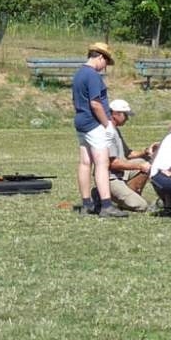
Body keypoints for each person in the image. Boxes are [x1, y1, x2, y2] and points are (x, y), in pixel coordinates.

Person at [71, 42, 122, 217]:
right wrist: (107, 125)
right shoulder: (92, 75)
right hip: (94, 124)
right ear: (100, 57)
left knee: (85, 162)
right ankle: (106, 205)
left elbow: (77, 100)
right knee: (102, 163)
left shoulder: (79, 74)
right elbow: (95, 103)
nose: (105, 66)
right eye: (106, 62)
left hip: (81, 121)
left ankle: (86, 203)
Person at [98, 99, 155, 214]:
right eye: (125, 115)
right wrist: (139, 166)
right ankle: (101, 194)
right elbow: (113, 164)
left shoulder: (115, 130)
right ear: (115, 114)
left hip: (120, 173)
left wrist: (146, 152)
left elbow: (128, 154)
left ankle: (130, 195)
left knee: (149, 162)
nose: (127, 118)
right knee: (142, 206)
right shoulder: (108, 132)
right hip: (111, 178)